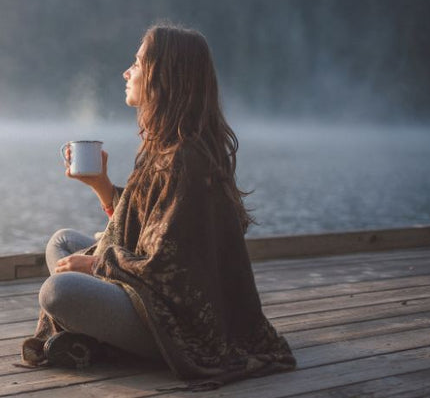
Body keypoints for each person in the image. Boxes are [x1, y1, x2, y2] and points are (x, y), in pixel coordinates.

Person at [20, 23, 296, 389]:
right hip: (149, 292)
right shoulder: (165, 146)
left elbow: (170, 267)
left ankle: (96, 338)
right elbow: (146, 227)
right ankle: (92, 333)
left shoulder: (186, 159)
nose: (126, 71)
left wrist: (97, 264)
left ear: (163, 76)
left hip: (180, 324)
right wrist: (101, 186)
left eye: (136, 63)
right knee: (63, 242)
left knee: (59, 292)